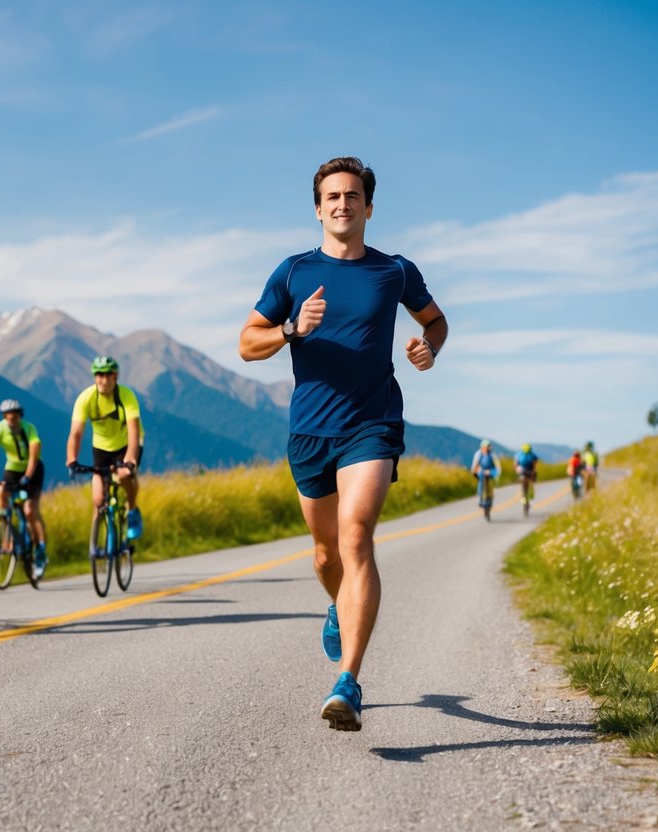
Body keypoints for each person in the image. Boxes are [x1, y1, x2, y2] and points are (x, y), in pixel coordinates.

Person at [238, 156, 447, 732]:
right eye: (332, 196)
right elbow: (246, 343)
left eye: (352, 196)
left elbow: (436, 321)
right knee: (327, 555)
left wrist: (430, 347)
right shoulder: (293, 273)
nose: (342, 204)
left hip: (372, 423)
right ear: (318, 208)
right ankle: (338, 606)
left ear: (369, 207)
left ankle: (348, 682)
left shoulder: (395, 272)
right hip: (309, 431)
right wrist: (291, 329)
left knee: (356, 537)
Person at [65, 356, 145, 540]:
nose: (103, 380)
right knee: (99, 500)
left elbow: (134, 432)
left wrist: (130, 459)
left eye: (108, 375)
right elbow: (76, 434)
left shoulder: (126, 395)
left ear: (115, 377)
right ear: (94, 377)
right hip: (101, 448)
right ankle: (98, 546)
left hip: (127, 444)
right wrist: (71, 459)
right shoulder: (85, 398)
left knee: (124, 475)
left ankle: (132, 510)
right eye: (99, 375)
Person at [0, 398, 48, 579]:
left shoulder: (29, 429)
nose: (12, 421)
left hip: (33, 469)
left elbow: (34, 456)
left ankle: (40, 550)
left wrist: (28, 476)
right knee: (1, 491)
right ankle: (6, 523)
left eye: (15, 418)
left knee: (30, 509)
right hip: (12, 469)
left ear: (19, 416)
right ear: (4, 417)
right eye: (8, 418)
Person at [471, 439, 501, 511]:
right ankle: (480, 495)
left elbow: (497, 464)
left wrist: (497, 471)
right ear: (482, 447)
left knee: (493, 479)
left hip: (491, 471)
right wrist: (474, 471)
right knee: (480, 480)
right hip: (481, 471)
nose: (488, 448)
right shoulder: (478, 454)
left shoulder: (492, 454)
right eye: (486, 447)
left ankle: (491, 495)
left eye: (488, 447)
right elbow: (475, 464)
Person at [515, 442, 540, 511]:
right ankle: (528, 499)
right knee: (528, 485)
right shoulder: (531, 455)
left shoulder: (520, 454)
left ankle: (526, 499)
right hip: (526, 471)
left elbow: (516, 464)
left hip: (526, 471)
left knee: (526, 487)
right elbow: (535, 463)